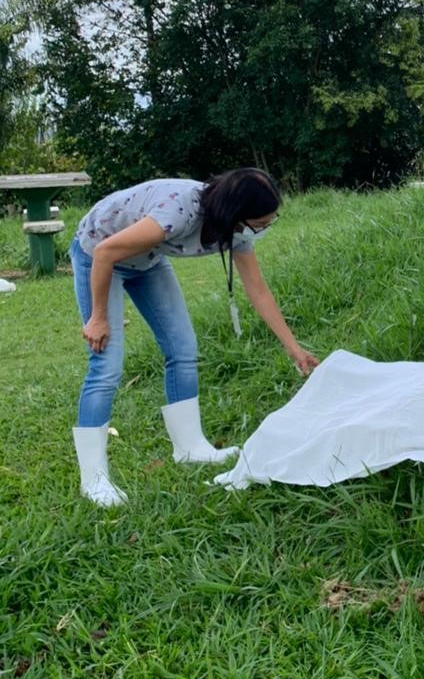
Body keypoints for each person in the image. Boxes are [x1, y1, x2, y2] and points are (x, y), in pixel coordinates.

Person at [69, 167, 318, 506]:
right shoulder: (178, 212)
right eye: (261, 222)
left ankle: (190, 448)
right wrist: (98, 318)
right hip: (99, 255)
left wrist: (294, 348)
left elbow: (257, 290)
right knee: (106, 366)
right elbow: (105, 252)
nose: (264, 228)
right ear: (236, 212)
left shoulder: (237, 229)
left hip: (147, 260)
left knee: (183, 348)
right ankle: (94, 480)